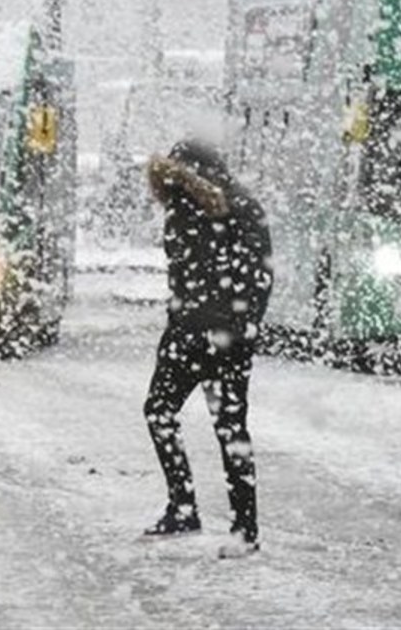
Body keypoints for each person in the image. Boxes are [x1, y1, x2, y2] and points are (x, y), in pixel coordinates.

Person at [141, 140, 272, 557]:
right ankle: (244, 528)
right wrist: (244, 327)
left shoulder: (186, 207)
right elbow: (259, 277)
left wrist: (185, 323)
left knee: (160, 411)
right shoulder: (243, 207)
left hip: (192, 336)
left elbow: (187, 278)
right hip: (225, 338)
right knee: (231, 429)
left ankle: (184, 505)